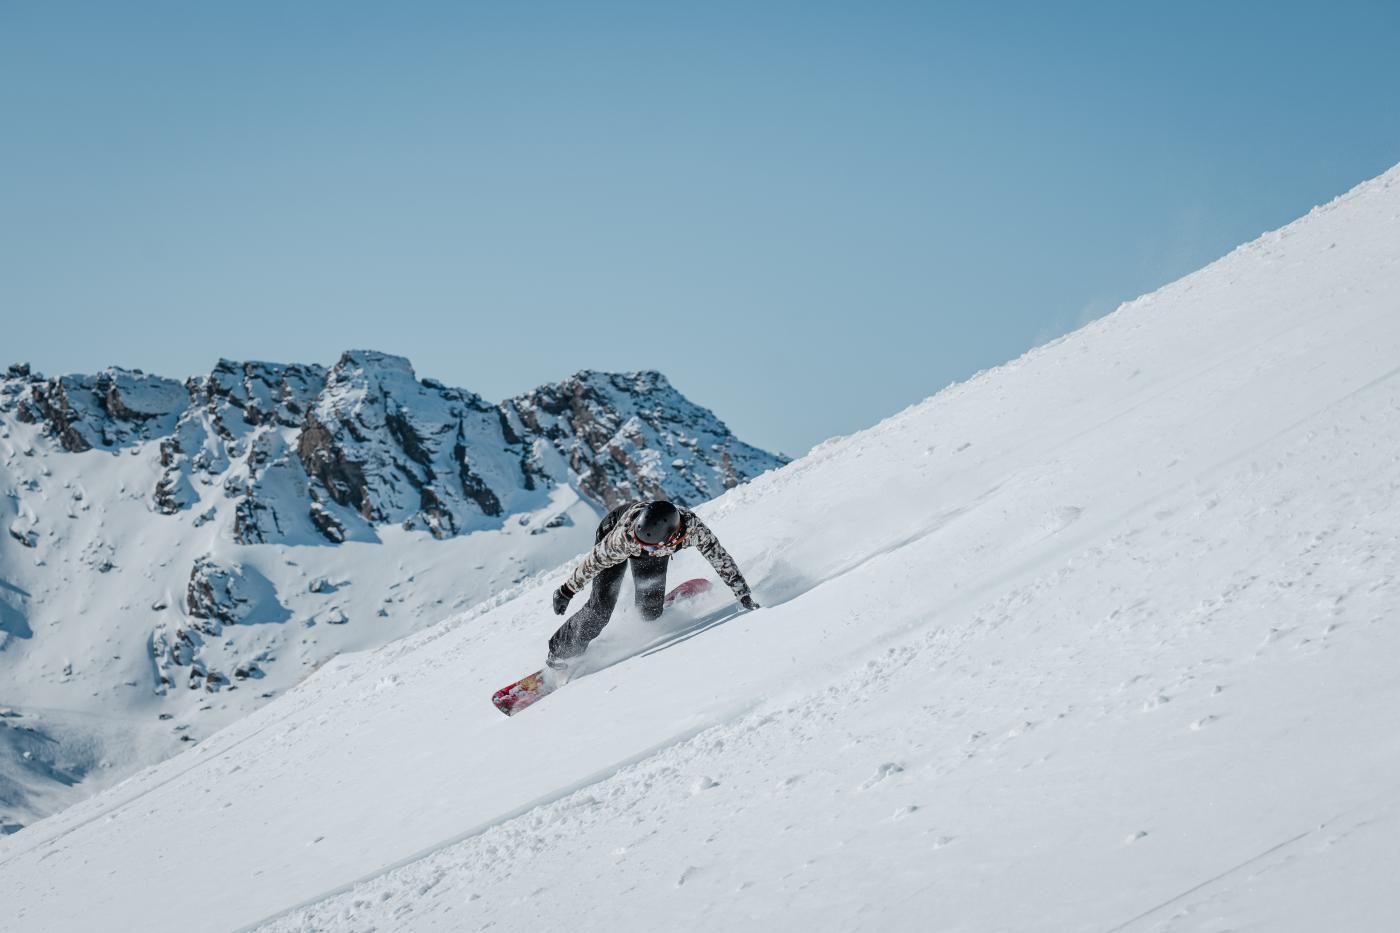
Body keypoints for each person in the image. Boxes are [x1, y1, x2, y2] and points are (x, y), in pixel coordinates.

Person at [546, 499, 758, 673]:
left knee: (649, 613)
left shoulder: (694, 530)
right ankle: (559, 652)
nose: (640, 546)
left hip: (655, 553)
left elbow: (720, 558)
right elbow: (593, 562)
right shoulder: (625, 539)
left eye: (647, 545)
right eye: (640, 542)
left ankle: (656, 605)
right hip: (613, 529)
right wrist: (566, 591)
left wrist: (742, 593)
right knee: (600, 608)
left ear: (673, 537)